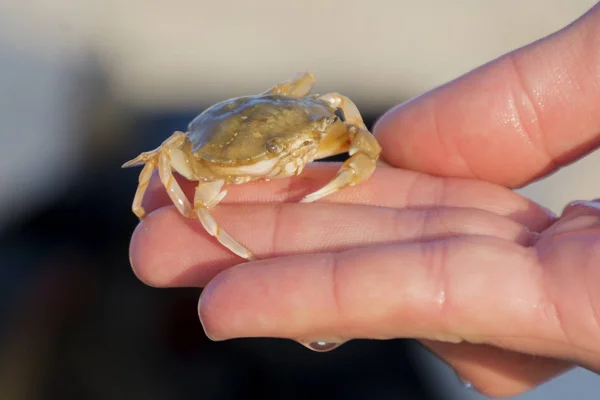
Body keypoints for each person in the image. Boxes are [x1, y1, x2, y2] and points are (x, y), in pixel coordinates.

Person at [128, 3, 600, 397]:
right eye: (281, 155)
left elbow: (345, 117)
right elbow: (168, 158)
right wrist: (185, 207)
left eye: (298, 149)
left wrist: (310, 146)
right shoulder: (197, 158)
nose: (290, 161)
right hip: (223, 148)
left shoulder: (313, 122)